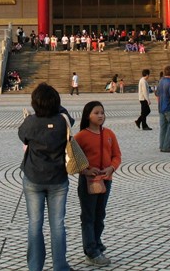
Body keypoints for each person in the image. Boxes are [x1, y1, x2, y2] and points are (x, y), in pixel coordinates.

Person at [17, 83, 76, 271]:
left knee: (35, 224)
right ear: (56, 102)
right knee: (57, 224)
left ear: (35, 103)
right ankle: (60, 266)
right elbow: (69, 118)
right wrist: (56, 107)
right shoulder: (62, 121)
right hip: (58, 179)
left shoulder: (31, 122)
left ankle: (35, 266)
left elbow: (22, 136)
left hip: (34, 178)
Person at [75, 101, 122, 267]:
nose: (100, 115)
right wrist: (85, 170)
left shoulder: (109, 134)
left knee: (100, 215)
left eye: (102, 112)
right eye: (96, 112)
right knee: (88, 216)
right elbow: (73, 159)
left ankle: (96, 242)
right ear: (88, 115)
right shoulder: (80, 136)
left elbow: (117, 155)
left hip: (105, 181)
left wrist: (112, 168)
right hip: (88, 181)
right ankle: (91, 250)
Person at [155, 65, 170, 153]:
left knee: (163, 128)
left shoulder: (161, 81)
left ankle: (162, 145)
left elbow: (157, 94)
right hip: (169, 108)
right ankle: (166, 146)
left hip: (161, 108)